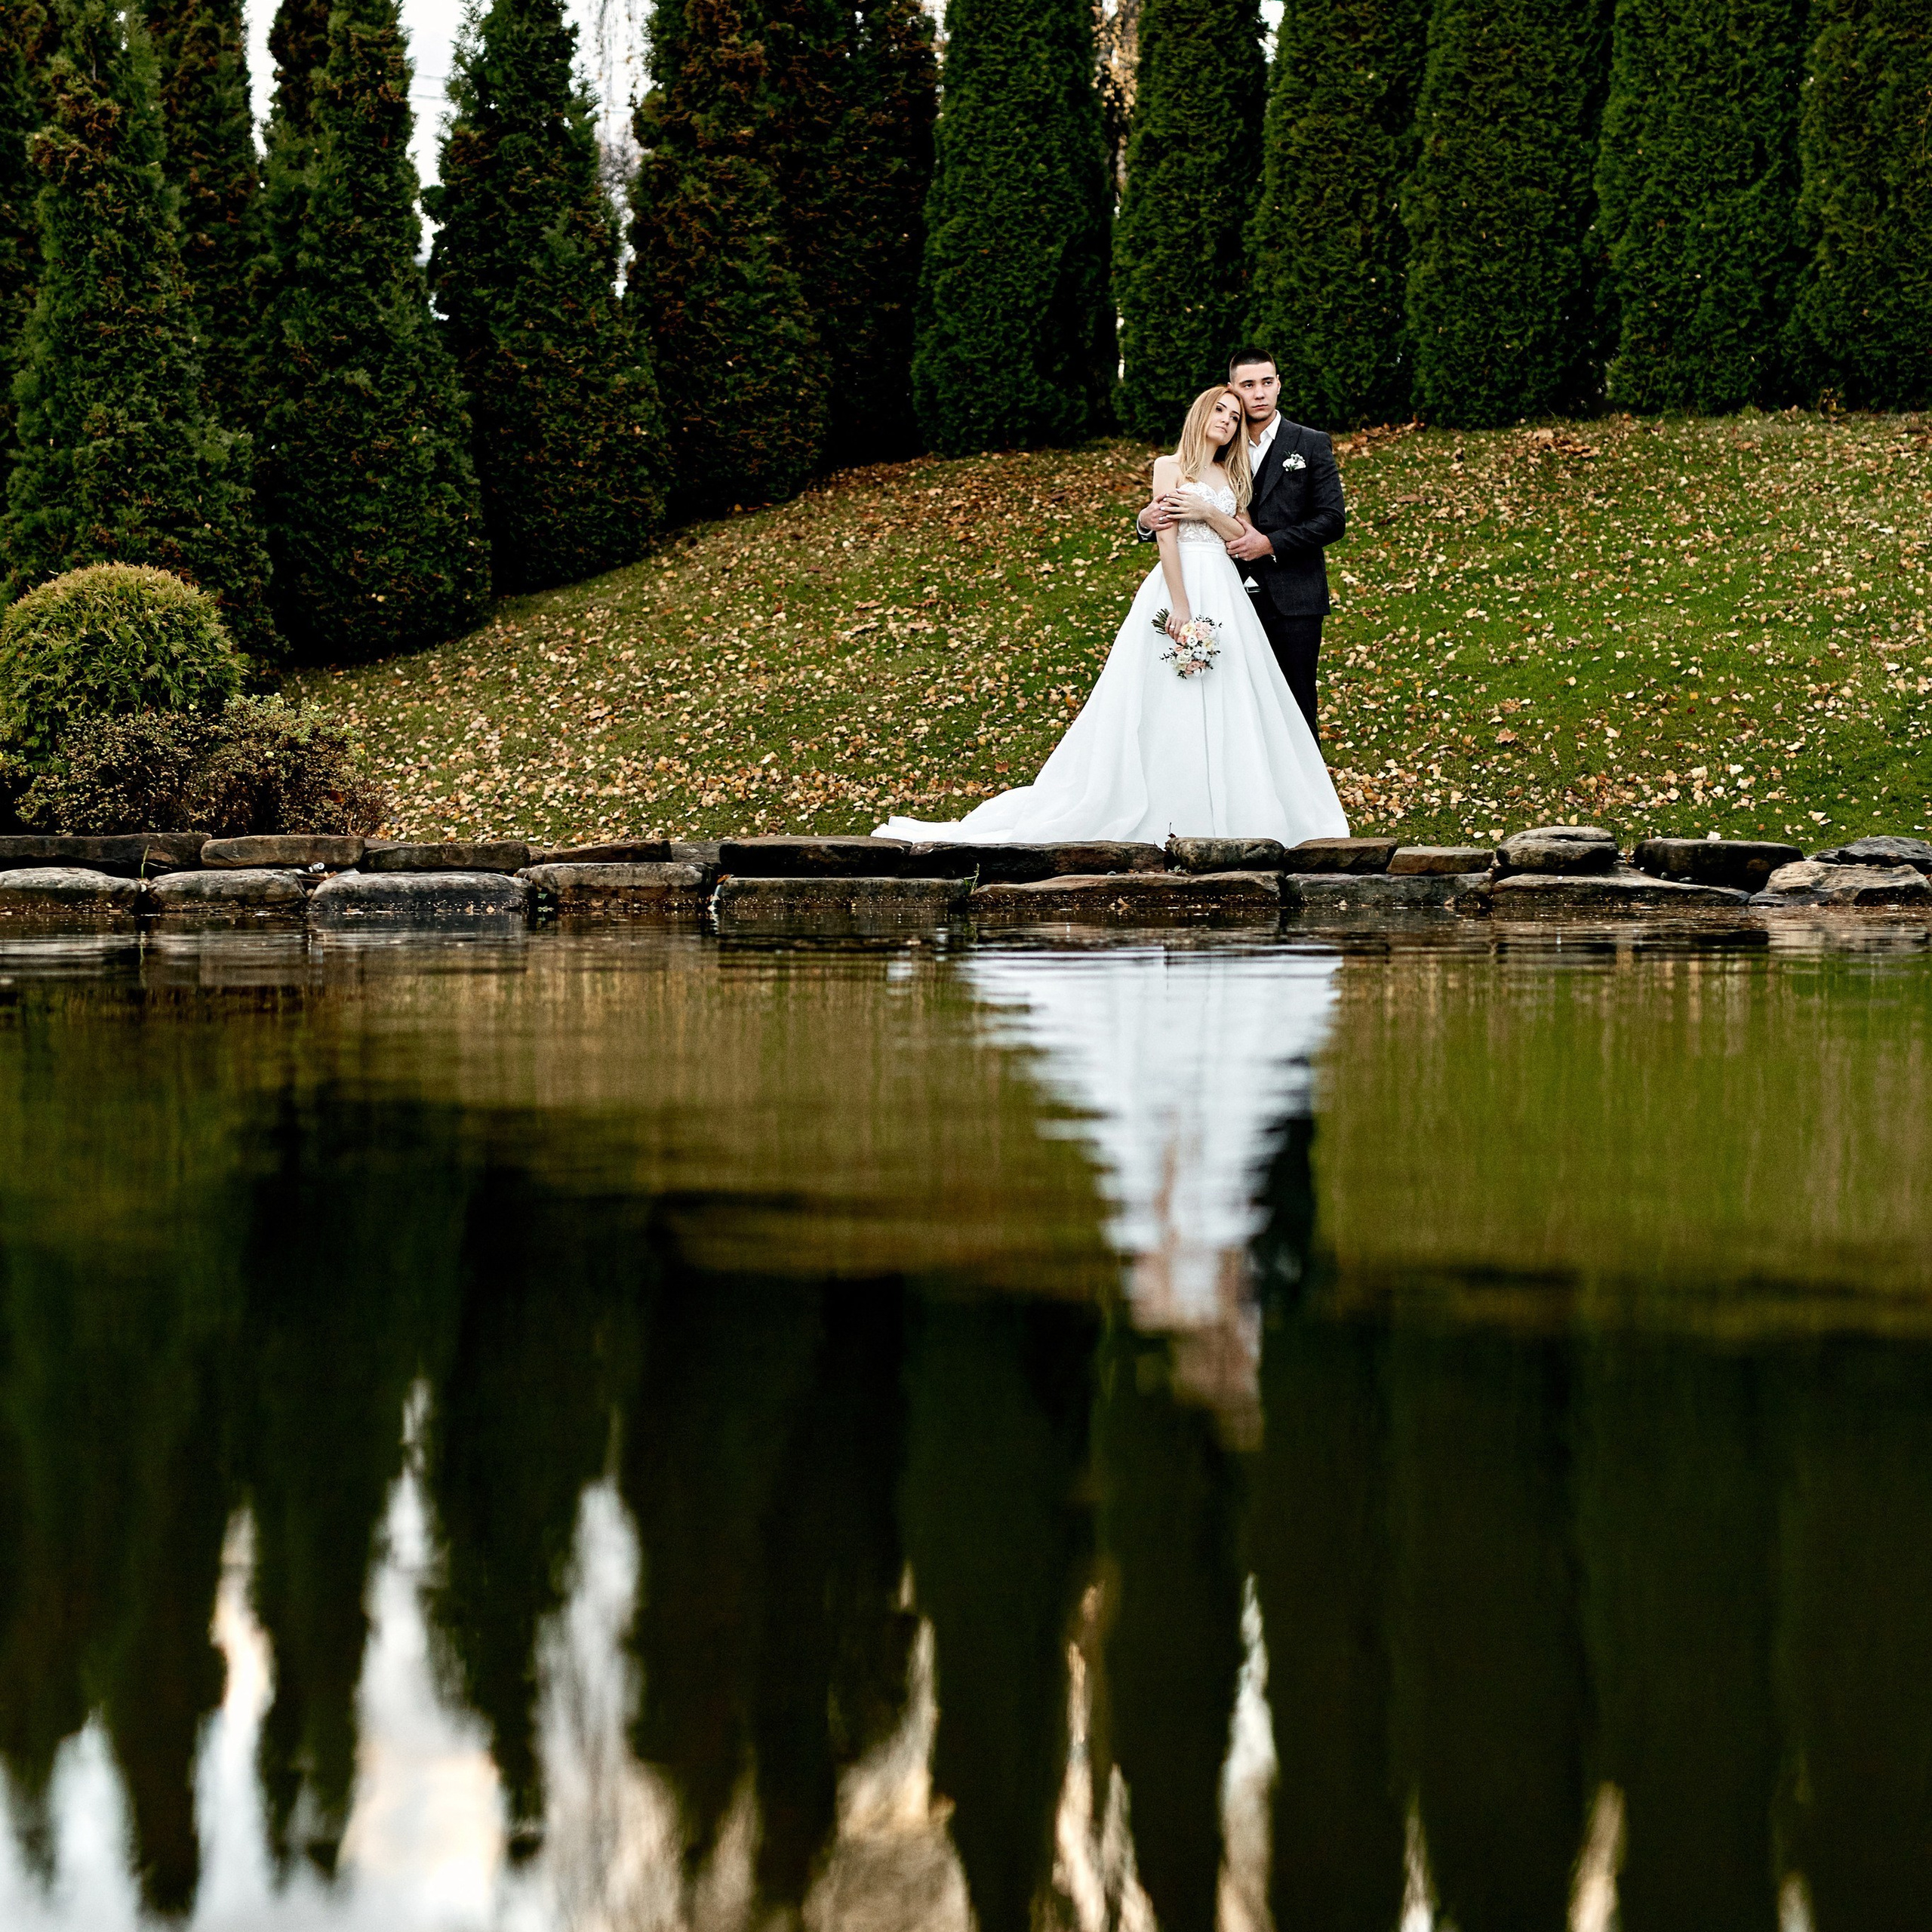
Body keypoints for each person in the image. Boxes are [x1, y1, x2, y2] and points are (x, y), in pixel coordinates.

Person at [875, 387, 1347, 848]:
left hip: (1224, 588)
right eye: (1219, 411)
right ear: (1200, 415)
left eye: (1234, 417)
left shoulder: (1232, 475)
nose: (1227, 420)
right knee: (1164, 694)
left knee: (1233, 694)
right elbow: (1165, 536)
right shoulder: (1169, 467)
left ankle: (1231, 803)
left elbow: (1240, 534)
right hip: (1180, 581)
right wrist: (1180, 607)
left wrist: (1207, 509)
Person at [1137, 348, 1344, 742]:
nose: (1260, 393)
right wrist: (1145, 521)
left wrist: (1270, 543)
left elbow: (1332, 520)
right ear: (1232, 389)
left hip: (1293, 594)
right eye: (1248, 385)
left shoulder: (1311, 443)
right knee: (1231, 705)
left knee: (1296, 701)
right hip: (1224, 594)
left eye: (1268, 382)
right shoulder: (1218, 455)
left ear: (1279, 385)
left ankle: (1303, 795)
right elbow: (1169, 513)